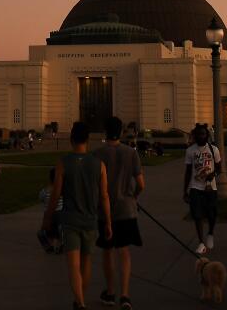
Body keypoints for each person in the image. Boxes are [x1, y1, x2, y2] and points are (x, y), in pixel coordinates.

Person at [42, 122, 111, 310]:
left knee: (73, 264)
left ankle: (80, 302)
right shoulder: (99, 164)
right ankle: (81, 299)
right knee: (86, 262)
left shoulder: (63, 163)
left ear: (71, 139)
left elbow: (55, 194)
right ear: (88, 140)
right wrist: (109, 223)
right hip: (90, 220)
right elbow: (104, 196)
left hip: (70, 221)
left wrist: (47, 218)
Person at [95, 116, 144, 310]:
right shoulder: (131, 153)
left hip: (105, 211)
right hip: (126, 209)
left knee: (107, 252)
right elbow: (141, 184)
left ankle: (110, 292)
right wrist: (134, 197)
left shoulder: (97, 154)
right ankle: (125, 295)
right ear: (122, 131)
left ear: (105, 132)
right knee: (124, 252)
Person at [183, 123, 223, 255]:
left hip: (210, 188)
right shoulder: (190, 151)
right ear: (195, 136)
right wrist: (185, 190)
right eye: (199, 134)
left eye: (204, 134)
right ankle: (201, 243)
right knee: (197, 215)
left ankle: (210, 233)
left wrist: (213, 174)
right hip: (195, 187)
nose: (201, 136)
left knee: (212, 214)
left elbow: (219, 168)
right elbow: (188, 172)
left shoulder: (214, 150)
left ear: (207, 135)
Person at [38, 166, 64, 253]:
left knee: (50, 232)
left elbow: (41, 198)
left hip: (48, 214)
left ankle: (50, 246)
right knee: (59, 232)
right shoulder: (62, 190)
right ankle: (60, 245)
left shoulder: (45, 191)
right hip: (60, 213)